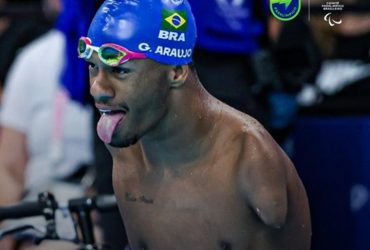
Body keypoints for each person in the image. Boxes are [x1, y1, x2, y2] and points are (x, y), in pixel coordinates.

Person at [79, 0, 311, 249]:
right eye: (93, 67)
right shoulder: (124, 148)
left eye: (120, 71)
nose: (97, 89)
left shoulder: (249, 156)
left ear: (177, 72)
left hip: (227, 62)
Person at [0, 0, 98, 249]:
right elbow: (9, 167)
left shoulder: (139, 56)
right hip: (47, 203)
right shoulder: (33, 58)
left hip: (112, 202)